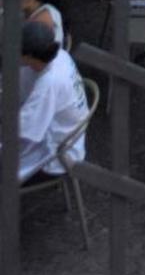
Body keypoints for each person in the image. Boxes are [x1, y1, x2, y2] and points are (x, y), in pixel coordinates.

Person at [9, 21, 88, 183]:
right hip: (64, 136)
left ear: (28, 56)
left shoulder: (49, 84)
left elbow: (22, 132)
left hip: (56, 156)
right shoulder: (60, 55)